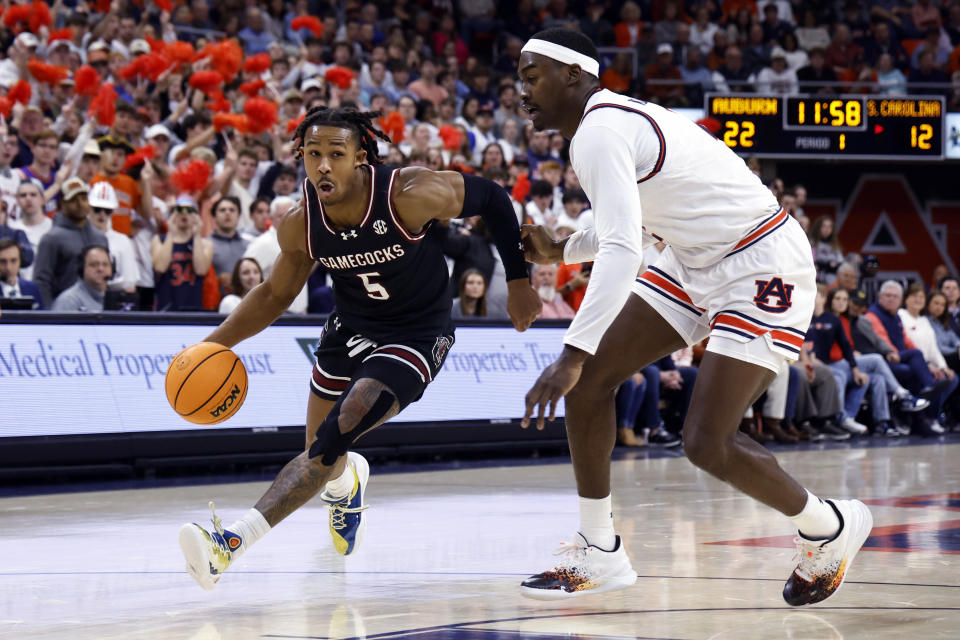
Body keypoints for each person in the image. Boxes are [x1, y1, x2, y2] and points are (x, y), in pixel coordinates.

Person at [515, 29, 873, 604]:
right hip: (691, 258)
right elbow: (623, 230)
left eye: (532, 77)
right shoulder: (601, 126)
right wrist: (561, 250)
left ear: (575, 77)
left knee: (707, 443)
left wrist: (571, 351)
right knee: (589, 388)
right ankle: (600, 549)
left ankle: (828, 525)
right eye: (519, 79)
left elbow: (623, 251)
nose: (521, 91)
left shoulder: (601, 131)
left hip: (759, 262)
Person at [178, 107, 541, 591]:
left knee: (331, 440)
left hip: (416, 335)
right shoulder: (301, 224)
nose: (323, 166)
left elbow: (494, 198)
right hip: (349, 329)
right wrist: (208, 346)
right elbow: (274, 295)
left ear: (361, 157)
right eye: (312, 155)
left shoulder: (409, 195)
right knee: (321, 457)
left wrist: (518, 281)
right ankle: (345, 488)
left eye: (335, 154)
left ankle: (228, 545)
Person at [33, 178, 108, 308]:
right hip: (63, 308)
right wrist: (48, 316)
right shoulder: (51, 238)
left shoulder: (100, 238)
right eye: (74, 200)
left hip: (97, 308)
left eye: (84, 198)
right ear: (62, 204)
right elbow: (42, 281)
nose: (81, 204)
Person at [151, 195, 214, 311]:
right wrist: (170, 232)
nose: (184, 214)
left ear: (196, 216)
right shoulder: (160, 240)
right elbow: (160, 267)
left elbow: (201, 270)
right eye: (179, 210)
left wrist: (197, 235)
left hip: (194, 308)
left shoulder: (205, 244)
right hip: (166, 307)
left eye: (190, 210)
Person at [87, 182, 139, 294]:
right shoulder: (79, 237)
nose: (102, 214)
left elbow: (130, 283)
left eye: (107, 210)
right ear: (89, 208)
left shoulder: (123, 241)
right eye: (97, 209)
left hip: (113, 300)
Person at [9, 180, 51, 280]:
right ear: (17, 200)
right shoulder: (12, 229)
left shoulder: (53, 228)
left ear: (43, 199)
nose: (28, 199)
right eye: (23, 195)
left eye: (33, 194)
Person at [50, 245, 111, 312]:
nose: (101, 269)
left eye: (105, 264)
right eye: (94, 265)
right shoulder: (69, 301)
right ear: (81, 269)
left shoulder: (117, 298)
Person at [0, 237, 43, 309]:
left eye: (13, 261)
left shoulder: (32, 288)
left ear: (20, 261)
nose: (8, 267)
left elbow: (42, 317)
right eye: (3, 262)